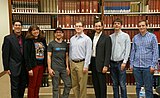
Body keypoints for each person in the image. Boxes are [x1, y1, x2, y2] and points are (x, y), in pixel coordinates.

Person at [130, 20, 159, 98]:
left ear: (146, 26)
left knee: (148, 87)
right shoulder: (135, 38)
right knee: (138, 87)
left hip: (148, 67)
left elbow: (155, 52)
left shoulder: (152, 37)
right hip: (136, 66)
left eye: (143, 25)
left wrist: (153, 65)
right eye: (139, 26)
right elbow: (133, 51)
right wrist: (131, 64)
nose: (141, 27)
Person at [2, 20, 28, 98]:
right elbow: (5, 54)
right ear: (13, 26)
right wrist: (6, 68)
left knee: (22, 86)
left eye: (19, 25)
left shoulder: (25, 38)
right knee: (15, 87)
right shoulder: (8, 38)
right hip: (13, 67)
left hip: (23, 67)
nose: (18, 27)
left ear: (21, 27)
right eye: (16, 25)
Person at [69, 20, 92, 98]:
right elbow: (70, 52)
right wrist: (69, 64)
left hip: (81, 64)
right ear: (74, 27)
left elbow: (88, 53)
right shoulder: (72, 39)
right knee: (74, 85)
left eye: (80, 26)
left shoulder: (87, 39)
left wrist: (86, 66)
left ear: (83, 28)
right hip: (73, 63)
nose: (78, 28)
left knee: (82, 85)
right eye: (76, 26)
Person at [90, 19, 112, 98]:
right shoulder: (91, 36)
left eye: (99, 26)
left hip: (101, 64)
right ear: (94, 27)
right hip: (93, 62)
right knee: (95, 84)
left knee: (102, 85)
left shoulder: (106, 38)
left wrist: (106, 65)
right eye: (96, 26)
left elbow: (108, 53)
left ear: (102, 26)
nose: (98, 27)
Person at [24, 25, 47, 98]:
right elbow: (26, 56)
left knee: (38, 84)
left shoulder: (42, 40)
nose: (35, 31)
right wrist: (29, 68)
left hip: (41, 65)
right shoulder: (28, 41)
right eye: (33, 30)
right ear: (30, 32)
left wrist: (45, 65)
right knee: (32, 85)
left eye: (37, 30)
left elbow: (45, 52)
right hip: (33, 66)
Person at [47, 27, 71, 98]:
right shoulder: (51, 44)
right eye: (57, 32)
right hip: (55, 68)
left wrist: (67, 67)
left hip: (63, 68)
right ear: (54, 34)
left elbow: (66, 56)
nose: (58, 34)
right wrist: (49, 68)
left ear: (62, 34)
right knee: (55, 87)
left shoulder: (65, 44)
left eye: (60, 32)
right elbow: (49, 56)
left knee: (68, 84)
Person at [110, 18, 131, 98]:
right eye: (115, 23)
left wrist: (124, 62)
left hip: (121, 63)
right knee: (114, 84)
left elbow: (127, 50)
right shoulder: (110, 37)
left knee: (122, 84)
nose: (116, 25)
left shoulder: (126, 36)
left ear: (121, 25)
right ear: (113, 25)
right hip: (112, 63)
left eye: (118, 23)